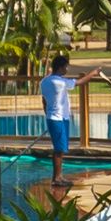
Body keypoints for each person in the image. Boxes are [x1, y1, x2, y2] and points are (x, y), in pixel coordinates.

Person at [40, 51, 79, 179]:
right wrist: (94, 73)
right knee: (59, 150)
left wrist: (48, 114)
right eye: (66, 67)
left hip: (55, 117)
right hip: (59, 118)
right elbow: (80, 82)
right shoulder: (60, 82)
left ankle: (58, 177)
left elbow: (44, 100)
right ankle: (57, 178)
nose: (67, 69)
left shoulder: (45, 81)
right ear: (61, 67)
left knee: (59, 149)